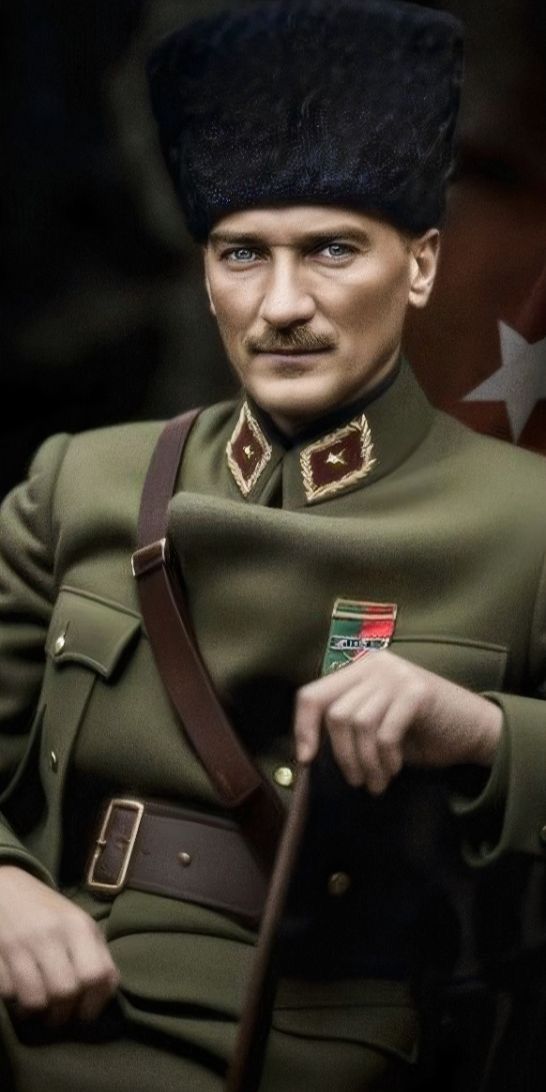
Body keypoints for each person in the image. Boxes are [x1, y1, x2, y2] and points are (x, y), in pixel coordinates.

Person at [1, 1, 546, 1089]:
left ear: (423, 267)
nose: (282, 304)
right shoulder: (79, 485)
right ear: (206, 273)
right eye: (243, 253)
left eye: (333, 249)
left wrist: (484, 730)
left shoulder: (525, 522)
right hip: (46, 1008)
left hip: (344, 1049)